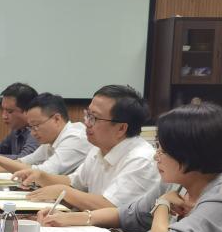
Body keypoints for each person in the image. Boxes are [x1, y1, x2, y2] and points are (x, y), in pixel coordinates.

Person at [40, 103, 222, 232]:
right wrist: (69, 219)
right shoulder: (179, 179)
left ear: (192, 155)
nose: (155, 156)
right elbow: (131, 213)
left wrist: (162, 204)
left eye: (163, 150)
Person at [16, 84, 158, 211]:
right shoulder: (98, 148)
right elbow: (74, 183)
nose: (87, 123)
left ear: (121, 128)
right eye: (88, 115)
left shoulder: (141, 160)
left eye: (94, 118)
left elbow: (110, 206)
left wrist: (63, 192)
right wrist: (41, 176)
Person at [0, 92, 91, 177]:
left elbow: (43, 172)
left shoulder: (75, 138)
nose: (32, 133)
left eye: (36, 126)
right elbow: (23, 162)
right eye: (31, 127)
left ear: (56, 119)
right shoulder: (51, 141)